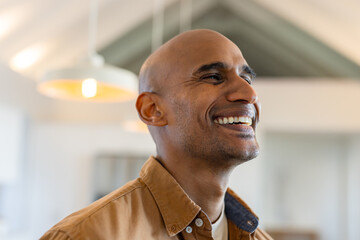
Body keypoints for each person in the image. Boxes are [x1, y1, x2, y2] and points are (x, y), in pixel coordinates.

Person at [41, 29, 272, 240]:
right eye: (213, 77)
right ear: (153, 110)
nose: (249, 93)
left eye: (247, 78)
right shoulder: (85, 235)